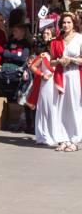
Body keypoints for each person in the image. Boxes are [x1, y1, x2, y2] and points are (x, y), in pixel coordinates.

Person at [34, 12, 82, 151]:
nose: (66, 25)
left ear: (74, 24)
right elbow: (53, 61)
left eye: (69, 22)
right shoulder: (57, 41)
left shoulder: (79, 39)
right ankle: (64, 139)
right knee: (61, 108)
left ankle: (75, 139)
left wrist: (71, 60)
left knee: (74, 107)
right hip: (60, 76)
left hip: (74, 75)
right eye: (63, 23)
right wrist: (60, 61)